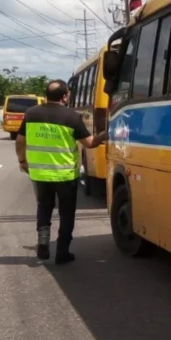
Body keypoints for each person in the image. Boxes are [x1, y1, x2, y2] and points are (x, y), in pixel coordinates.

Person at [15, 80, 108, 263]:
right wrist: (105, 134)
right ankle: (62, 252)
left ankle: (43, 242)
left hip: (39, 174)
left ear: (46, 95)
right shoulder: (71, 117)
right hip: (65, 175)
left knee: (44, 207)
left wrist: (22, 161)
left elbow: (19, 141)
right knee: (66, 213)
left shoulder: (31, 114)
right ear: (65, 96)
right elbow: (90, 143)